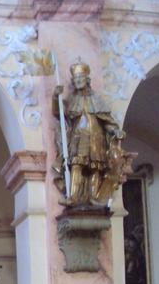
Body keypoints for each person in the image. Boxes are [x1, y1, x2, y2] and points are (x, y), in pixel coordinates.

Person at [53, 60, 126, 206]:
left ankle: (94, 197)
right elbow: (59, 113)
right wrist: (56, 97)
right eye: (76, 79)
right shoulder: (72, 99)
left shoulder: (96, 99)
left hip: (96, 137)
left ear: (87, 79)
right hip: (78, 137)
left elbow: (107, 121)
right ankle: (73, 197)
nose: (78, 81)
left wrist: (115, 130)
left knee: (96, 167)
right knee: (76, 165)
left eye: (81, 78)